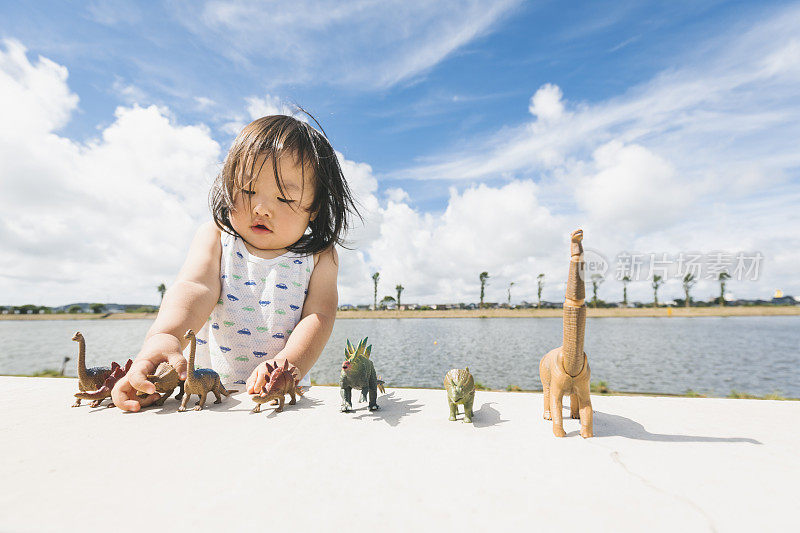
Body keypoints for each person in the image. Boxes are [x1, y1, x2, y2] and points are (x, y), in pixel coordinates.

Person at [112, 114, 359, 411]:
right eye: (248, 190)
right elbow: (195, 287)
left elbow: (319, 315)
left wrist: (287, 362)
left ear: (315, 208)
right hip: (212, 399)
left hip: (279, 398)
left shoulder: (320, 255)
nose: (261, 208)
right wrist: (165, 336)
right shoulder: (216, 237)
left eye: (283, 198)